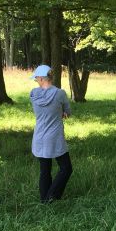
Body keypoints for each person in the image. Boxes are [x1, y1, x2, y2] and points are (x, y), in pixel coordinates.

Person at [30, 65, 73, 203]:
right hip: (54, 137)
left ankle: (45, 199)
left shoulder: (33, 94)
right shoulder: (60, 93)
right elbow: (67, 112)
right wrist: (62, 112)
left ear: (42, 78)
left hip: (39, 137)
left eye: (36, 78)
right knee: (66, 168)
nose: (36, 80)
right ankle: (51, 197)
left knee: (45, 170)